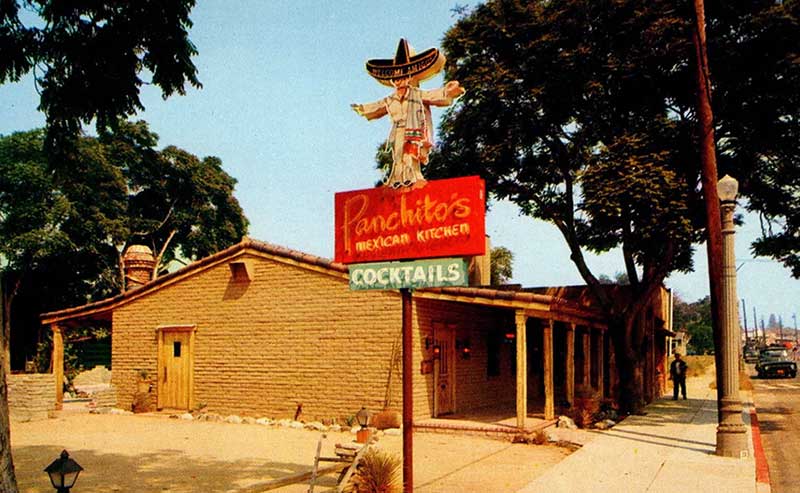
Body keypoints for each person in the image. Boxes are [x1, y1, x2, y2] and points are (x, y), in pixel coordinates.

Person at [352, 38, 465, 188]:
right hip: (398, 129)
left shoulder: (416, 94)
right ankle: (396, 180)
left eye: (402, 77)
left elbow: (433, 95)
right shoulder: (391, 99)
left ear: (408, 77)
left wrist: (448, 91)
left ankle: (414, 177)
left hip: (414, 129)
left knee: (410, 155)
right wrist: (363, 108)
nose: (399, 81)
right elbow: (377, 106)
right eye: (396, 78)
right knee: (397, 154)